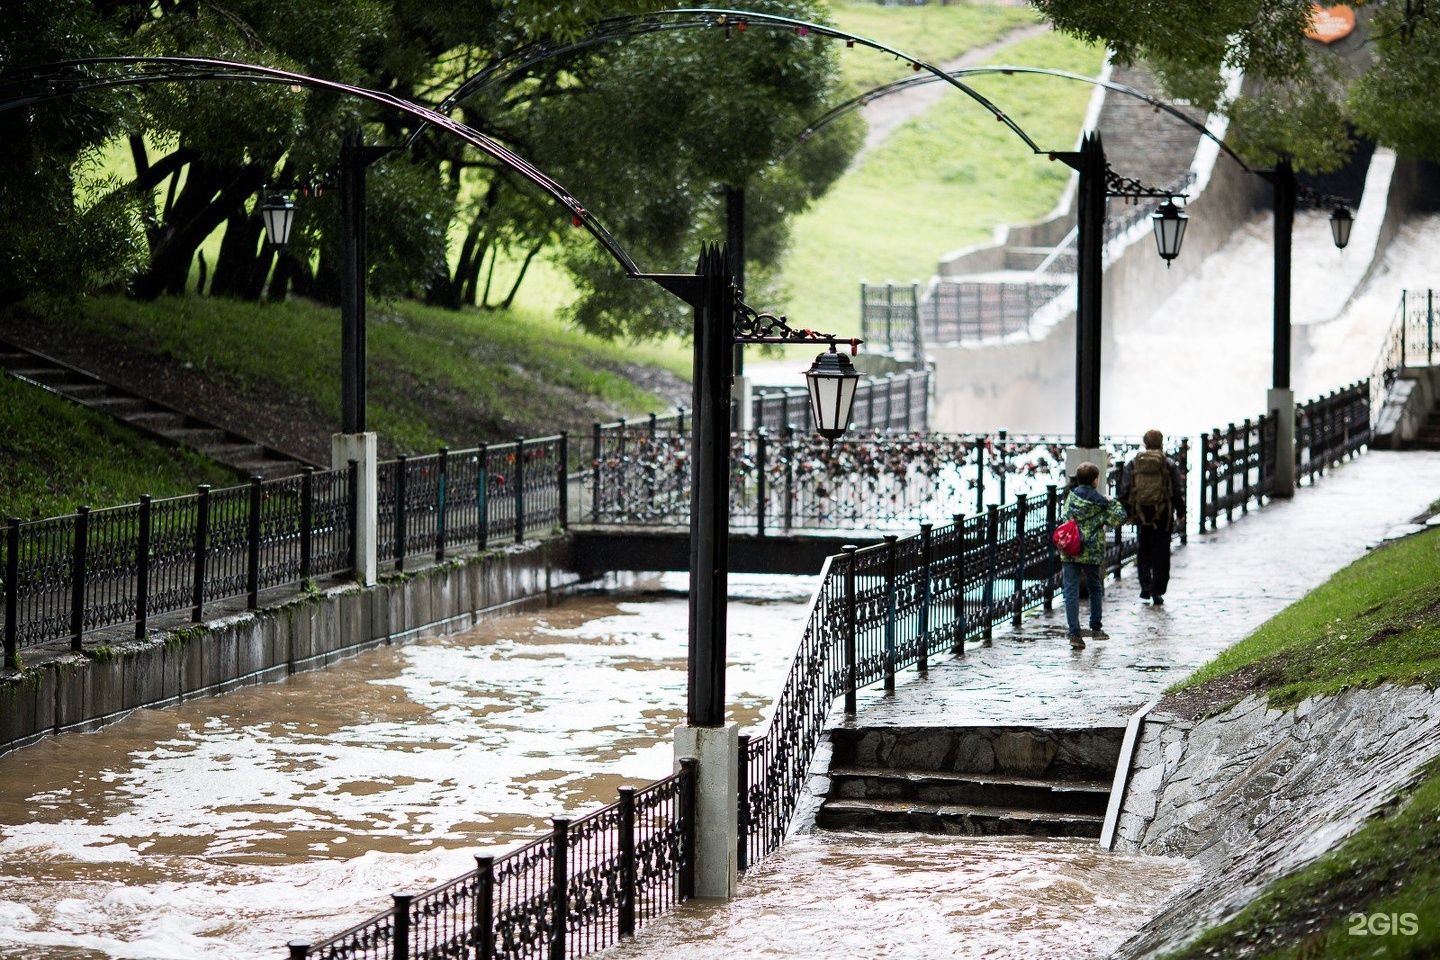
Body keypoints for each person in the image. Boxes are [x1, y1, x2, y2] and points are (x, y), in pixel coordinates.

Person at [1060, 461, 1126, 649]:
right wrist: (1112, 502)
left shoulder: (1071, 499)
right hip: (1092, 551)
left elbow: (1065, 519)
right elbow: (1119, 518)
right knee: (1095, 588)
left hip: (1071, 549)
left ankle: (1074, 633)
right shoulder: (1101, 502)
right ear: (1096, 481)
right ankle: (1096, 628)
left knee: (1070, 591)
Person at [1118, 429, 1186, 605]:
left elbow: (1124, 490)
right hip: (1163, 513)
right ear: (1161, 443)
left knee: (1144, 549)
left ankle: (1145, 587)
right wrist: (1181, 511)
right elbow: (1178, 491)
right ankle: (1158, 590)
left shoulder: (1134, 463)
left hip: (1141, 513)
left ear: (1145, 443)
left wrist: (1127, 513)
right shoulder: (1168, 463)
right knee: (1161, 551)